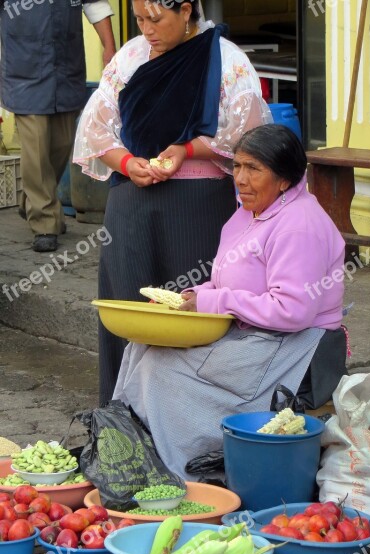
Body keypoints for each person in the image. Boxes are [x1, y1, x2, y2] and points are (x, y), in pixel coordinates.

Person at [112, 124, 348, 480]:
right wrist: (196, 296)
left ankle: (174, 470)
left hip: (292, 347)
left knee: (160, 371)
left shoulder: (299, 225)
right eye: (237, 166)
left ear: (284, 179)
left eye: (254, 169)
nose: (241, 178)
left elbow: (293, 310)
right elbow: (229, 279)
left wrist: (215, 301)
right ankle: (129, 454)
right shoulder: (248, 213)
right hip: (253, 332)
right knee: (141, 348)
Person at [73, 0, 272, 406]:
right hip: (132, 205)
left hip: (197, 208)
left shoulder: (226, 60)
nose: (146, 29)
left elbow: (247, 135)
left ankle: (188, 419)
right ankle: (122, 422)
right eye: (140, 19)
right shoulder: (129, 57)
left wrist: (186, 149)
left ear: (186, 11)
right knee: (129, 311)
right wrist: (127, 163)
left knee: (192, 313)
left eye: (156, 19)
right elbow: (95, 129)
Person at [0, 0, 116, 253]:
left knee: (63, 144)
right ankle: (44, 223)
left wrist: (109, 47)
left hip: (66, 70)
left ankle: (33, 200)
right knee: (37, 145)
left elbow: (95, 5)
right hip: (24, 73)